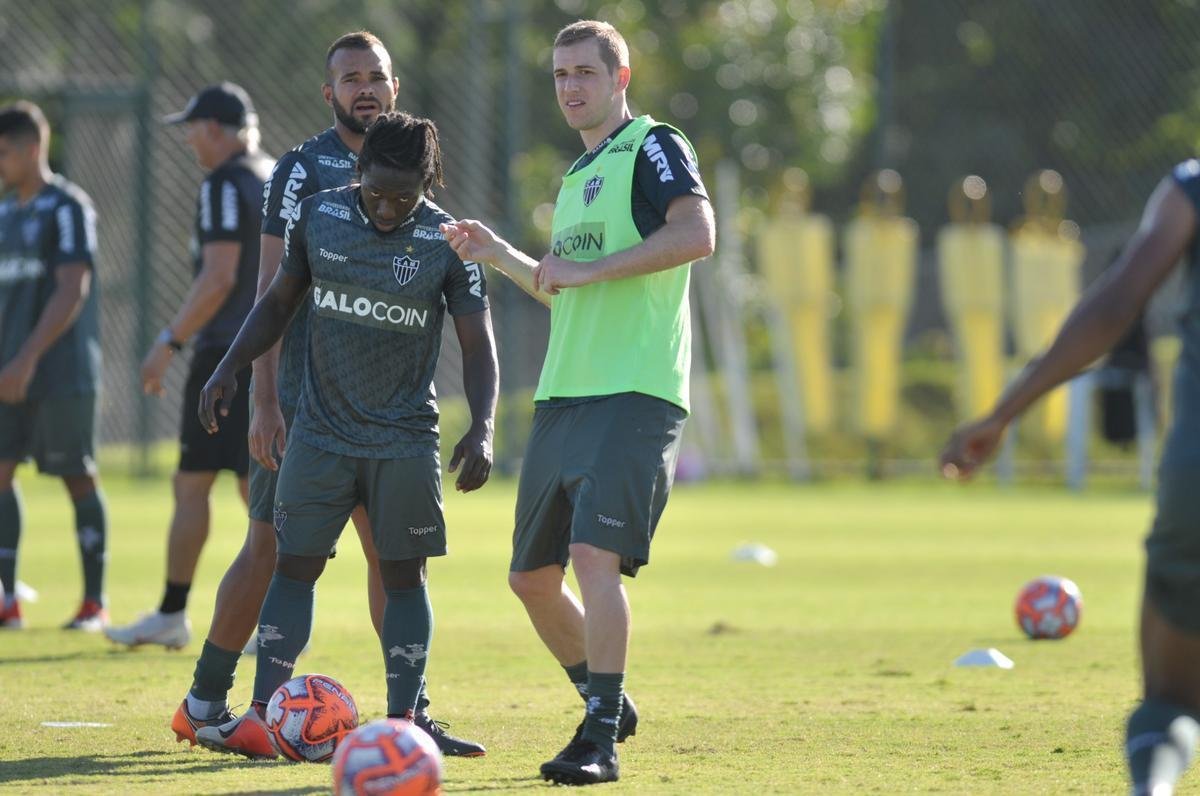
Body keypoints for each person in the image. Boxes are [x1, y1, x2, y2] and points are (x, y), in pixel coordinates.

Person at [168, 32, 485, 760]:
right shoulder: (300, 171)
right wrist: (265, 399)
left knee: (396, 559)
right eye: (351, 78)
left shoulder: (408, 159)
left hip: (386, 413)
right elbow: (270, 289)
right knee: (270, 546)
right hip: (307, 404)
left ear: (395, 88)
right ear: (329, 91)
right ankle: (216, 701)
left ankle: (412, 712)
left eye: (377, 76)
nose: (365, 88)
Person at [441, 19, 716, 786]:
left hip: (635, 391)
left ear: (620, 78)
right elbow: (565, 287)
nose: (570, 87)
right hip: (565, 396)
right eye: (560, 75)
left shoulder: (655, 146)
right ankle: (606, 700)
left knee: (595, 559)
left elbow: (697, 233)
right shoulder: (573, 179)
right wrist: (501, 254)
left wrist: (593, 273)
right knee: (530, 578)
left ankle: (601, 737)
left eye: (585, 73)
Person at [940, 161, 1200, 795]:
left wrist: (1005, 411)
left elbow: (1116, 303)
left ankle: (1153, 788)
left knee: (1169, 698)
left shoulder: (1190, 186)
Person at [104, 83, 272, 650]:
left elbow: (220, 275)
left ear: (218, 130)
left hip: (226, 352)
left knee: (196, 483)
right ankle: (263, 616)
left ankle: (182, 613)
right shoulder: (273, 174)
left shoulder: (225, 181)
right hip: (271, 352)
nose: (190, 143)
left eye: (194, 130)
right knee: (256, 487)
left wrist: (169, 341)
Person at [0, 101, 107, 632]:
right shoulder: (5, 212)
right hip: (8, 370)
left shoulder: (67, 206)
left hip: (60, 370)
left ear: (31, 149)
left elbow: (72, 288)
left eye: (3, 153)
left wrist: (26, 357)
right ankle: (7, 602)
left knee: (76, 475)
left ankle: (93, 604)